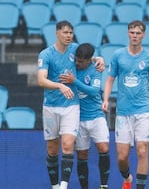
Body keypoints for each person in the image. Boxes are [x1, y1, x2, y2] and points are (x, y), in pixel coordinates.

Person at [37, 20, 104, 189]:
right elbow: (41, 80)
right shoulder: (46, 54)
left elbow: (88, 57)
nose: (69, 36)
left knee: (67, 145)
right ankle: (54, 185)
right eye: (65, 32)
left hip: (71, 106)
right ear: (57, 33)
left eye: (71, 33)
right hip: (51, 106)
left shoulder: (75, 49)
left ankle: (64, 185)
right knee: (52, 149)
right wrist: (60, 85)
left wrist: (100, 59)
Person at [102, 20, 149, 189]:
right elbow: (109, 79)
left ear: (143, 35)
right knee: (122, 156)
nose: (135, 36)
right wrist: (105, 99)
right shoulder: (118, 55)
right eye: (132, 32)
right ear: (128, 34)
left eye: (138, 33)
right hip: (123, 112)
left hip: (143, 110)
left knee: (142, 151)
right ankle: (127, 178)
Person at [60, 43, 110, 189]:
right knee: (82, 156)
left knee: (104, 148)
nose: (77, 63)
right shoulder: (73, 67)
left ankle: (103, 185)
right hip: (77, 118)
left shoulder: (96, 68)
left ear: (89, 60)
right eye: (76, 60)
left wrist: (74, 81)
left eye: (81, 61)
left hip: (96, 116)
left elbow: (94, 92)